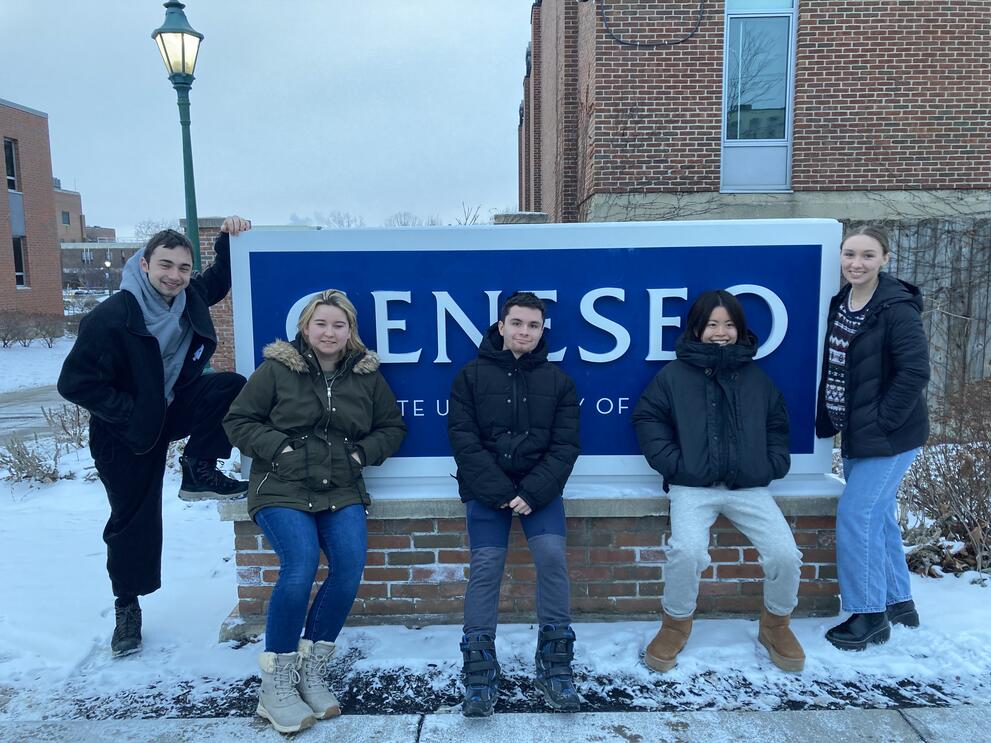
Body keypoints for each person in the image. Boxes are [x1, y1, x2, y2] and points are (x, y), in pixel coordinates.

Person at [58, 216, 252, 658]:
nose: (175, 276)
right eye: (166, 265)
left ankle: (198, 468)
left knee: (227, 386)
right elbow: (75, 383)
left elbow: (219, 277)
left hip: (168, 410)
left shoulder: (190, 298)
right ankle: (127, 605)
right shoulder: (112, 316)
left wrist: (227, 236)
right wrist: (131, 412)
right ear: (144, 264)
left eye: (183, 268)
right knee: (134, 520)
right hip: (122, 434)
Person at [223, 289, 406, 734]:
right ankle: (277, 685)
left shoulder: (366, 377)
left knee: (349, 568)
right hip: (281, 487)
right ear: (305, 327)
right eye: (321, 323)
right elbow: (238, 420)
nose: (329, 332)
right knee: (300, 566)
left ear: (350, 332)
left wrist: (362, 455)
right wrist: (280, 448)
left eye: (338, 325)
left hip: (340, 488)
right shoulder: (277, 370)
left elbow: (393, 426)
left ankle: (312, 669)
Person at [632, 290, 805, 673]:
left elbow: (778, 424)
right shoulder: (673, 376)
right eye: (712, 324)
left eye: (728, 324)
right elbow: (648, 420)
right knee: (688, 552)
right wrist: (676, 465)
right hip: (691, 486)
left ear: (739, 329)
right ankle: (675, 624)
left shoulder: (756, 378)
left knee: (785, 555)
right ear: (697, 329)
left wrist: (772, 463)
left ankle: (776, 625)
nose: (721, 332)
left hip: (748, 487)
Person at [448, 291, 581, 717]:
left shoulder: (559, 381)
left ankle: (555, 663)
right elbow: (464, 442)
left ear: (542, 330)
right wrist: (502, 492)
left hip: (539, 493)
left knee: (551, 556)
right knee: (486, 566)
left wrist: (533, 492)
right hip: (488, 491)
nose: (525, 331)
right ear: (501, 326)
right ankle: (480, 669)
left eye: (534, 325)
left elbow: (565, 446)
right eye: (517, 323)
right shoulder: (470, 377)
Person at [816, 225, 929, 651]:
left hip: (890, 435)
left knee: (856, 515)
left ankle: (869, 616)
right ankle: (900, 603)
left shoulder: (896, 308)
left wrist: (883, 422)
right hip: (857, 432)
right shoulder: (841, 303)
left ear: (885, 258)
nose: (855, 263)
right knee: (878, 517)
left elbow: (915, 372)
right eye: (849, 255)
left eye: (866, 255)